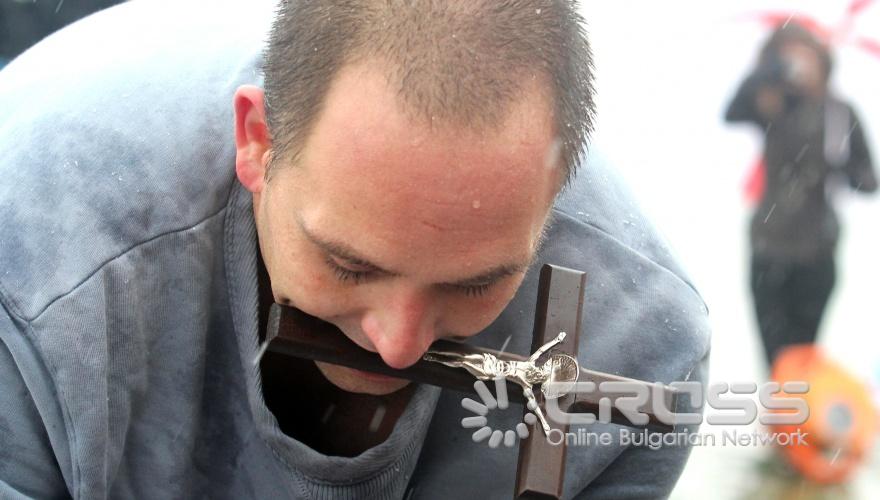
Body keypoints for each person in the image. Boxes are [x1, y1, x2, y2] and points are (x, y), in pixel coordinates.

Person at [0, 1, 710, 498]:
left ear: (554, 197)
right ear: (258, 142)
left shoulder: (642, 353)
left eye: (473, 284)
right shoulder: (34, 264)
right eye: (349, 265)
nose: (399, 347)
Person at [725, 22, 877, 367]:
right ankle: (783, 400)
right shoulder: (773, 102)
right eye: (789, 58)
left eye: (804, 57)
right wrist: (771, 71)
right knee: (775, 359)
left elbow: (869, 181)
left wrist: (839, 166)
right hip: (769, 246)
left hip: (817, 250)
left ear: (822, 61)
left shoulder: (840, 113)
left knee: (803, 355)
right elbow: (732, 112)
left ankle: (799, 401)